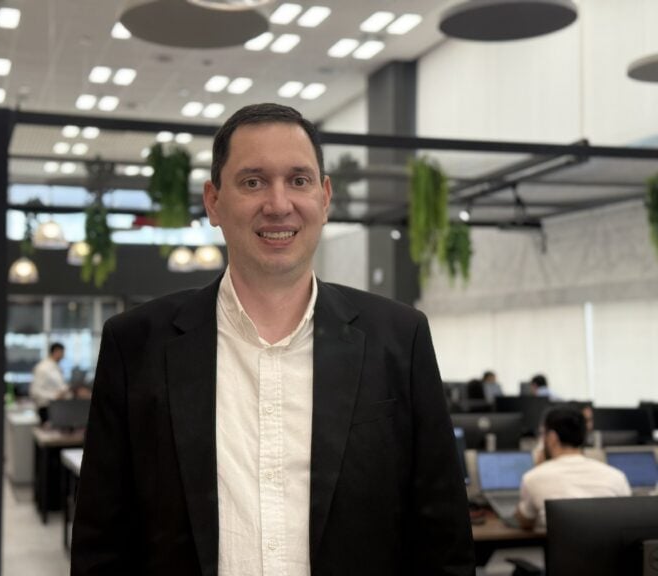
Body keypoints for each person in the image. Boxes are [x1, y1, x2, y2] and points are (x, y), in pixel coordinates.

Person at [71, 103, 475, 576]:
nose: (279, 204)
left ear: (325, 198)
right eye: (253, 182)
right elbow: (102, 544)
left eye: (299, 180)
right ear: (214, 202)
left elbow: (442, 538)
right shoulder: (136, 345)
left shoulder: (399, 339)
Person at [515, 405, 631, 530]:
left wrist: (538, 469)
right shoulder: (617, 477)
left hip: (560, 543)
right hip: (608, 543)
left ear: (552, 437)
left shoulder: (533, 478)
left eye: (543, 434)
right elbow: (629, 520)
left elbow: (525, 521)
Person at [29, 342, 70, 424]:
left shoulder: (56, 367)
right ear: (56, 352)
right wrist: (54, 396)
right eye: (62, 353)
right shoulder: (43, 368)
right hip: (47, 409)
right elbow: (35, 391)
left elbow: (59, 386)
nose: (63, 356)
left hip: (57, 407)